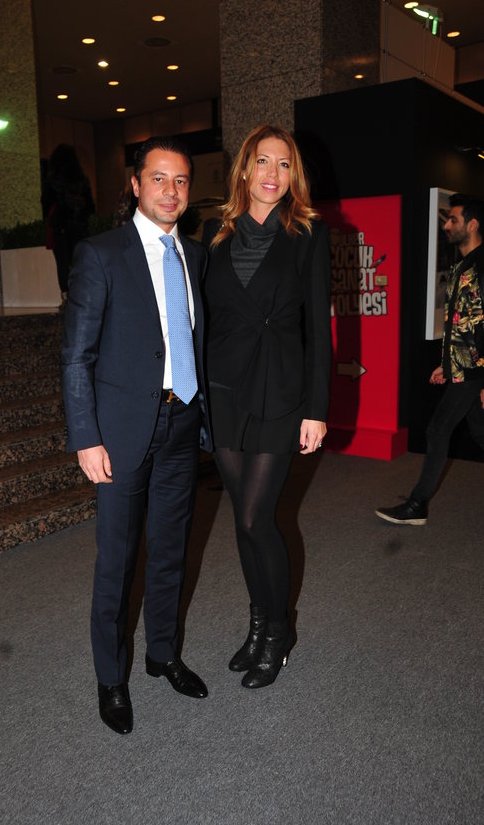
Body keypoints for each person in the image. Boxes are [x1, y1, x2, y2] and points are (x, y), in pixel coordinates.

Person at [61, 135, 211, 735]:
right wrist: (86, 437)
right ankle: (111, 678)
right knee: (118, 561)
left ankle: (162, 654)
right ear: (135, 184)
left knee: (171, 549)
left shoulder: (195, 255)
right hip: (121, 433)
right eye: (158, 179)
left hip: (182, 422)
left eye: (180, 180)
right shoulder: (101, 254)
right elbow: (76, 355)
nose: (170, 191)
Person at [204, 124, 332, 689]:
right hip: (224, 391)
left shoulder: (308, 232)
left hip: (280, 391)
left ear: (293, 174)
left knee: (258, 516)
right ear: (245, 169)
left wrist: (316, 408)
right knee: (242, 519)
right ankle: (257, 625)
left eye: (283, 164)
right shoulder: (214, 233)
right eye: (262, 161)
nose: (272, 174)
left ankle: (278, 634)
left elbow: (319, 328)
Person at [376, 194, 484, 525]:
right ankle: (417, 504)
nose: (446, 225)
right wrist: (447, 364)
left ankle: (417, 504)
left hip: (476, 370)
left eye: (453, 220)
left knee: (438, 429)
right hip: (463, 367)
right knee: (480, 432)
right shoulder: (461, 266)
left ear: (472, 224)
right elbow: (463, 323)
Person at [41, 144, 95, 306]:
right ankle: (82, 294)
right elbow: (91, 207)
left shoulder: (52, 181)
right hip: (80, 227)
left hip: (61, 228)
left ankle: (66, 296)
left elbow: (45, 205)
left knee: (62, 262)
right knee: (80, 262)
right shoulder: (82, 180)